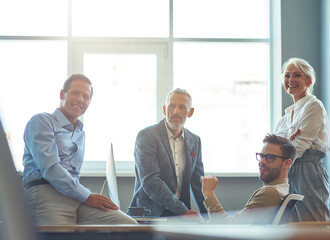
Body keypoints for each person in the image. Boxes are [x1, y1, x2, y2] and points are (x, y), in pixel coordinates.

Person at [22, 74, 137, 225]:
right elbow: (50, 168)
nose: (80, 100)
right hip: (47, 192)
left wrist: (85, 196)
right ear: (62, 94)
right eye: (75, 93)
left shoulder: (80, 132)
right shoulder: (42, 121)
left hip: (76, 197)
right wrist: (86, 196)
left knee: (130, 226)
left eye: (86, 96)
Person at [128, 88, 207, 217]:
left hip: (180, 215)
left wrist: (210, 218)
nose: (176, 111)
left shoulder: (195, 141)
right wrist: (182, 211)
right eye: (172, 106)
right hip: (150, 214)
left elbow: (198, 185)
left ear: (190, 112)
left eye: (182, 107)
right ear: (164, 109)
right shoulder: (146, 136)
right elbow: (150, 181)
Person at [275, 57, 330, 221]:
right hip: (289, 169)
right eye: (287, 76)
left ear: (308, 80)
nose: (291, 80)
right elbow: (275, 146)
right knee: (294, 226)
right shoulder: (286, 116)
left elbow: (299, 145)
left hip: (308, 170)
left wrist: (281, 163)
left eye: (297, 75)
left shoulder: (314, 106)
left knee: (314, 223)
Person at [201, 134, 295, 224]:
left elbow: (229, 226)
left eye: (270, 158)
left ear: (286, 164)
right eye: (261, 156)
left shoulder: (270, 192)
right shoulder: (283, 188)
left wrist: (208, 194)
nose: (262, 161)